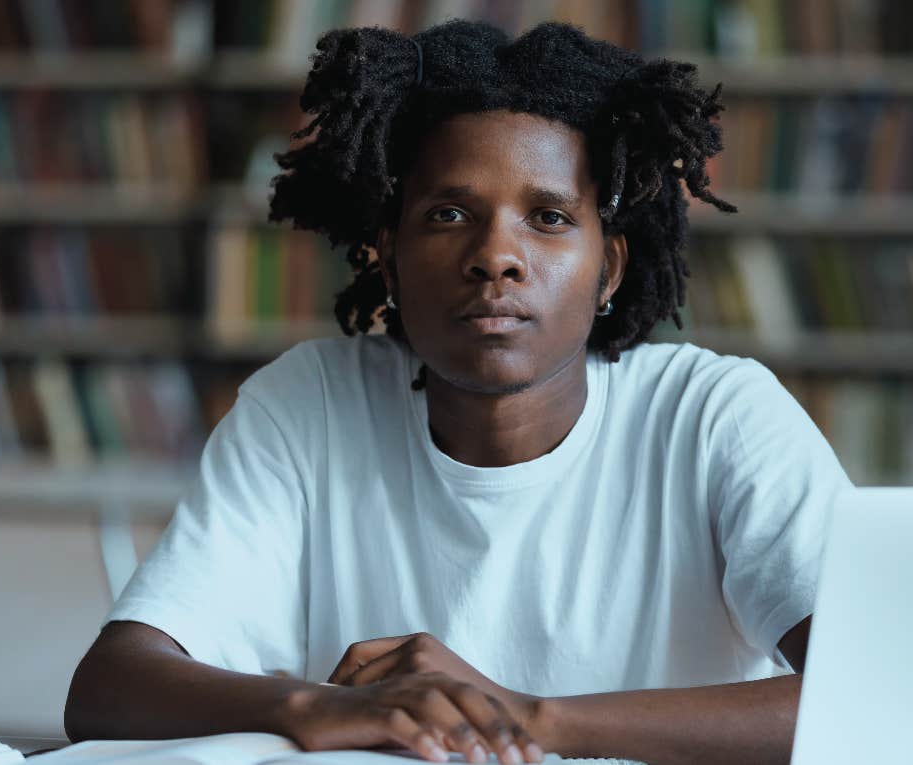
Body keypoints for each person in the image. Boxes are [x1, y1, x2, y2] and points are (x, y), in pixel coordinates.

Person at [64, 19, 850, 765]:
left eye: (546, 216)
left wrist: (531, 717)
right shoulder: (309, 405)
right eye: (448, 214)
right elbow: (111, 684)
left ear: (607, 267)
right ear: (390, 257)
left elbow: (881, 694)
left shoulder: (716, 418)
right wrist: (312, 707)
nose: (496, 256)